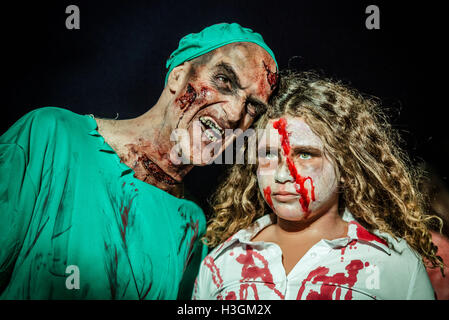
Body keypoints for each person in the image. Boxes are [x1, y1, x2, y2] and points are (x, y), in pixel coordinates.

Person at [0, 23, 278, 299]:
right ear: (178, 76)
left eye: (252, 105)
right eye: (223, 80)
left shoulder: (193, 226)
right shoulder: (51, 136)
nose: (234, 113)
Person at [193, 70, 443, 300]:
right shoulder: (222, 264)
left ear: (346, 166)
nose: (282, 175)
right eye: (268, 154)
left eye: (305, 154)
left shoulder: (392, 263)